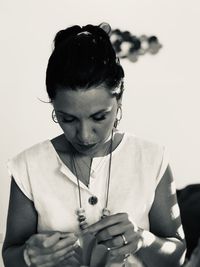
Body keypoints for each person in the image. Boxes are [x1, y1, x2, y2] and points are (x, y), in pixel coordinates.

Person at [2, 22, 186, 267]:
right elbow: (10, 256)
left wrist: (142, 239)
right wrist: (28, 255)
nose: (85, 136)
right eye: (67, 119)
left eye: (99, 117)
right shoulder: (29, 166)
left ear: (119, 98)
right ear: (53, 105)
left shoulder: (151, 158)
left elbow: (178, 255)